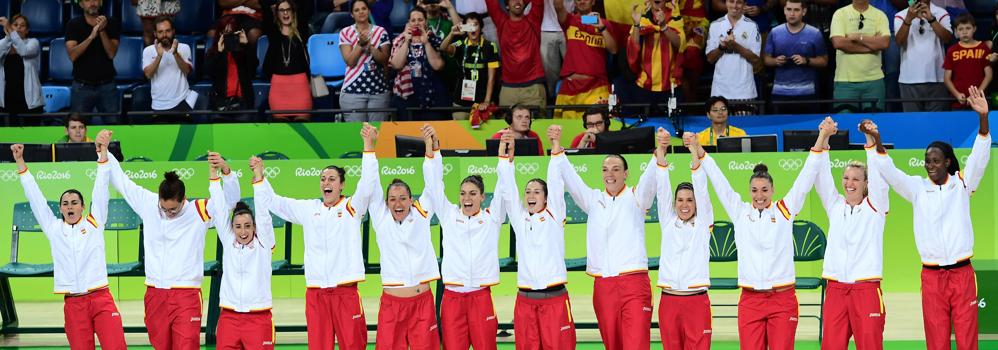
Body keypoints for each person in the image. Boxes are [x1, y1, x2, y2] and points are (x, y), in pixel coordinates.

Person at [870, 85, 990, 350]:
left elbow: (979, 159)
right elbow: (891, 173)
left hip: (962, 274)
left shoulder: (962, 184)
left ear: (947, 162)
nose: (930, 165)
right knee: (936, 339)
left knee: (967, 337)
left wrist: (983, 120)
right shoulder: (917, 188)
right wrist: (877, 141)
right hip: (932, 277)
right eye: (927, 160)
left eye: (935, 160)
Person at [700, 125, 823, 350]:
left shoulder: (785, 211)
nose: (759, 196)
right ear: (749, 191)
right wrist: (701, 153)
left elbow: (805, 179)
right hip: (750, 300)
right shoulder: (740, 212)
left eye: (765, 190)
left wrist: (822, 136)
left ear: (773, 190)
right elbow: (720, 183)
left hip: (782, 299)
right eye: (755, 190)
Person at [254, 126, 378, 350]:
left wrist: (368, 146)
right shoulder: (309, 209)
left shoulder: (352, 207)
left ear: (342, 184)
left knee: (353, 345)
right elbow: (275, 203)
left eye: (332, 179)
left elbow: (367, 184)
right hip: (316, 292)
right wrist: (260, 176)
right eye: (323, 179)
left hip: (345, 292)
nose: (326, 183)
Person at [105, 145, 241, 349]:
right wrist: (104, 152)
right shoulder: (148, 204)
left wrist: (227, 173)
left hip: (186, 294)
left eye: (173, 209)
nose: (168, 213)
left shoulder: (199, 210)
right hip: (155, 293)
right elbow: (122, 182)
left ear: (183, 200)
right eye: (164, 208)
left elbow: (230, 202)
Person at [10, 134, 126, 350]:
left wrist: (102, 154)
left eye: (74, 202)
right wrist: (20, 163)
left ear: (83, 206)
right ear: (60, 208)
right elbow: (36, 199)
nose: (70, 206)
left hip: (101, 298)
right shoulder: (53, 228)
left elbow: (101, 189)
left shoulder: (95, 222)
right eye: (65, 203)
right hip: (74, 304)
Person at [554, 127, 663, 350]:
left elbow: (649, 180)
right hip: (603, 285)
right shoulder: (593, 200)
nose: (609, 174)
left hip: (634, 283)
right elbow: (572, 181)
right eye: (605, 169)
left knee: (636, 344)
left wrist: (659, 152)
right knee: (612, 345)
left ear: (626, 173)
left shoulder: (637, 197)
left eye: (615, 169)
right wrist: (557, 148)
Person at [422, 124, 506, 350]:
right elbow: (434, 185)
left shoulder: (492, 218)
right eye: (462, 194)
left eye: (472, 194)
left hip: (481, 297)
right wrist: (433, 151)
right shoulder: (449, 215)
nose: (466, 198)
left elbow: (503, 189)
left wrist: (504, 158)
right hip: (452, 298)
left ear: (482, 197)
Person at [496, 126, 577, 349]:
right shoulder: (520, 219)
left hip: (555, 300)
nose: (531, 195)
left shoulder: (555, 215)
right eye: (528, 191)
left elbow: (555, 180)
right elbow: (508, 190)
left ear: (546, 198)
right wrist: (505, 157)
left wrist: (555, 146)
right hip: (525, 301)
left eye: (537, 191)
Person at [812, 117, 889, 350]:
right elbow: (821, 175)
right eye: (846, 178)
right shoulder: (834, 205)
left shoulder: (876, 206)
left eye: (856, 179)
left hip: (866, 289)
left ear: (866, 184)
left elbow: (879, 175)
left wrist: (869, 138)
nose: (849, 183)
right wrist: (823, 137)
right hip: (836, 288)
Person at [365, 124, 441, 349]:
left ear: (411, 200)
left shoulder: (421, 213)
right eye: (392, 199)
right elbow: (371, 183)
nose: (397, 203)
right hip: (392, 305)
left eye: (402, 198)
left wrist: (431, 149)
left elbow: (434, 184)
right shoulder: (381, 218)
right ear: (386, 202)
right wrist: (369, 146)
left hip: (422, 303)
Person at [654, 131, 714, 350]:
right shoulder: (668, 222)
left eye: (689, 200)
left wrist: (693, 152)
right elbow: (662, 189)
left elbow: (702, 189)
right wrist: (661, 151)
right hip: (669, 301)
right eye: (680, 200)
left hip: (696, 301)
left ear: (696, 203)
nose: (684, 205)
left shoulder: (703, 224)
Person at [211, 157, 277, 350]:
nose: (243, 231)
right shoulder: (228, 241)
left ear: (254, 227)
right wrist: (214, 174)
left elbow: (263, 212)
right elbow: (220, 208)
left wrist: (258, 177)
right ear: (232, 228)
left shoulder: (263, 243)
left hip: (258, 317)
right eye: (238, 226)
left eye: (247, 226)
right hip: (228, 318)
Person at [552, 0, 616, 120]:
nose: (581, 1)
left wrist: (601, 27)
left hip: (597, 88)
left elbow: (613, 50)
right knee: (567, 129)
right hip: (570, 88)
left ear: (593, 2)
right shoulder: (570, 20)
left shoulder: (604, 24)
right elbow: (558, 6)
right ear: (574, 3)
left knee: (598, 128)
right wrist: (587, 20)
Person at [763, 0, 828, 115]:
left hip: (807, 92)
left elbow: (824, 61)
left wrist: (806, 60)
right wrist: (776, 61)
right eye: (789, 9)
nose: (792, 14)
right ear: (784, 10)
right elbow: (766, 59)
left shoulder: (814, 33)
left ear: (804, 11)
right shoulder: (775, 32)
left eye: (796, 10)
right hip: (780, 92)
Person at [486, 0, 547, 115]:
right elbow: (491, 3)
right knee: (506, 126)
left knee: (537, 124)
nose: (517, 1)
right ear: (507, 6)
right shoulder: (501, 22)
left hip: (533, 87)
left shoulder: (534, 19)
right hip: (508, 88)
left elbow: (538, 2)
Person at [830, 0, 891, 112]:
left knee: (873, 122)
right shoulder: (840, 14)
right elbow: (838, 43)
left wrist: (858, 38)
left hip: (874, 81)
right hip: (845, 82)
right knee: (845, 121)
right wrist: (872, 46)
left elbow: (884, 43)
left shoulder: (880, 15)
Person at [66, 0, 121, 121]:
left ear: (101, 2)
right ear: (81, 4)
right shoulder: (73, 24)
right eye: (87, 0)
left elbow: (111, 53)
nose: (92, 3)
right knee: (78, 126)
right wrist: (91, 37)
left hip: (107, 85)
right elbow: (72, 55)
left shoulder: (111, 23)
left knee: (113, 125)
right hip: (81, 86)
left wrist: (101, 30)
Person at [390, 7, 449, 120]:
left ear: (426, 22)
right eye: (413, 20)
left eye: (420, 20)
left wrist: (426, 43)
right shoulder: (400, 40)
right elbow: (396, 65)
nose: (416, 23)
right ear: (408, 23)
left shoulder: (433, 39)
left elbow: (438, 66)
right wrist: (406, 41)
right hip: (406, 97)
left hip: (431, 96)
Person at [338, 0, 392, 122]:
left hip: (379, 91)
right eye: (357, 10)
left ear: (369, 11)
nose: (361, 12)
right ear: (352, 14)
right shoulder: (345, 33)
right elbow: (350, 62)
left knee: (377, 132)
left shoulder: (380, 31)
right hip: (353, 91)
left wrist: (371, 48)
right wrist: (360, 45)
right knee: (357, 133)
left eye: (364, 8)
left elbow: (384, 60)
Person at [895, 0, 952, 112]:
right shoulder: (901, 15)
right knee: (912, 121)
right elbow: (899, 42)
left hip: (937, 78)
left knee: (936, 121)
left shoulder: (941, 13)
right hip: (909, 79)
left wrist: (931, 19)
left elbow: (947, 39)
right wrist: (908, 19)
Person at [625, 0, 685, 109]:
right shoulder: (643, 18)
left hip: (671, 85)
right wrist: (636, 25)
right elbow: (633, 45)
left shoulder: (674, 17)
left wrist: (664, 27)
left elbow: (680, 44)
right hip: (644, 85)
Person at [440, 12, 500, 120]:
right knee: (459, 129)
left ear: (481, 27)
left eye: (475, 24)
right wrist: (452, 33)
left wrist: (487, 101)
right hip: (461, 101)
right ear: (465, 29)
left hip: (482, 101)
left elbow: (491, 78)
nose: (473, 29)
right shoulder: (460, 44)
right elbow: (443, 48)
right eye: (469, 25)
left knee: (485, 129)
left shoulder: (490, 46)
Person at [263, 0, 312, 121]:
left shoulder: (301, 31)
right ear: (277, 14)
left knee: (303, 127)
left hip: (300, 88)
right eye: (281, 10)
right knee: (281, 130)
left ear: (293, 12)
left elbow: (305, 7)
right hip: (279, 89)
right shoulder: (273, 33)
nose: (285, 13)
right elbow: (265, 9)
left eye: (288, 9)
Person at [142, 17, 197, 121]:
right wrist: (159, 56)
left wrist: (175, 54)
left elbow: (187, 71)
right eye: (160, 32)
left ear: (173, 31)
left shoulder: (184, 48)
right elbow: (148, 75)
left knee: (185, 132)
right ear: (155, 33)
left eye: (167, 31)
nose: (164, 35)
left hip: (182, 102)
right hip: (158, 105)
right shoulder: (148, 51)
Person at [706, 0, 762, 101]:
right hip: (720, 90)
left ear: (744, 4)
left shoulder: (752, 26)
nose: (735, 6)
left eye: (739, 2)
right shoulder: (715, 25)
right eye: (731, 1)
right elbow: (710, 59)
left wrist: (735, 46)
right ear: (726, 3)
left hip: (745, 91)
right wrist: (722, 47)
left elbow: (755, 59)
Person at [206, 15, 256, 120]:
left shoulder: (244, 51)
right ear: (220, 34)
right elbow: (210, 73)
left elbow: (253, 68)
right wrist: (219, 53)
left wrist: (246, 46)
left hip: (243, 103)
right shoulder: (213, 52)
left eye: (232, 33)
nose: (229, 37)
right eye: (225, 33)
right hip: (221, 104)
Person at [943, 14, 991, 109]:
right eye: (961, 29)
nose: (964, 32)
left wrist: (977, 94)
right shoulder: (952, 50)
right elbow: (947, 78)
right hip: (958, 100)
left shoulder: (983, 48)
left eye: (968, 28)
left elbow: (989, 75)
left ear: (974, 29)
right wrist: (957, 94)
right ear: (956, 31)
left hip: (980, 100)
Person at [0, 15, 43, 116]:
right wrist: (8, 36)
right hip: (7, 99)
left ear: (27, 30)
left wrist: (11, 32)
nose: (18, 27)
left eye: (22, 25)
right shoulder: (3, 43)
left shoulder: (33, 42)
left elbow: (24, 51)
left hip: (29, 100)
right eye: (15, 25)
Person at [540, 0, 570, 101]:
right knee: (550, 75)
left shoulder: (590, 16)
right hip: (546, 28)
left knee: (574, 69)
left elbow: (587, 14)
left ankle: (573, 96)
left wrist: (593, 20)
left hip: (570, 25)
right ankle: (552, 100)